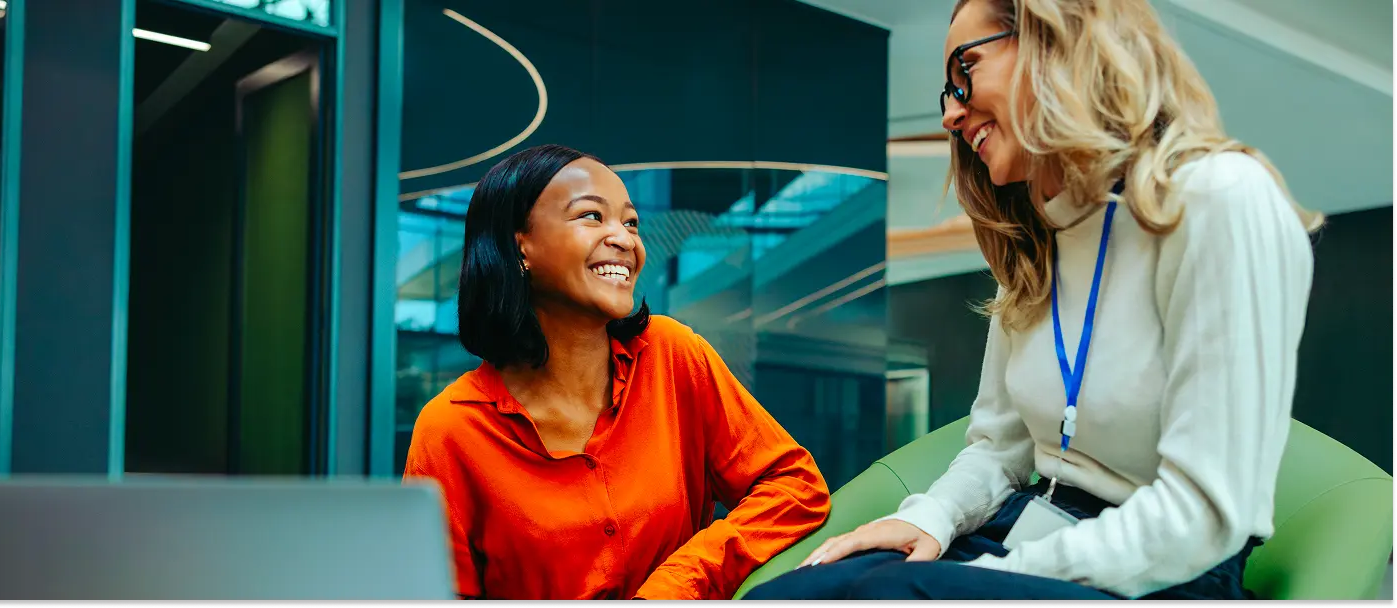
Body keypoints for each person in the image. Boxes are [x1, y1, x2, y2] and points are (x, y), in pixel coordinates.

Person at [745, 0, 1320, 602]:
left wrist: (986, 579)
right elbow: (1000, 449)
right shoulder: (1038, 244)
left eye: (965, 70)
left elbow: (1203, 515)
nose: (949, 113)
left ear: (1060, 43)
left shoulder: (1221, 198)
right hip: (1022, 534)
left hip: (1157, 575)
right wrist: (931, 517)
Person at [402, 144, 830, 601]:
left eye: (630, 222)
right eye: (591, 216)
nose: (625, 240)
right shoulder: (450, 430)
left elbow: (794, 485)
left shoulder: (672, 355)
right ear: (518, 243)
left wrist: (680, 581)